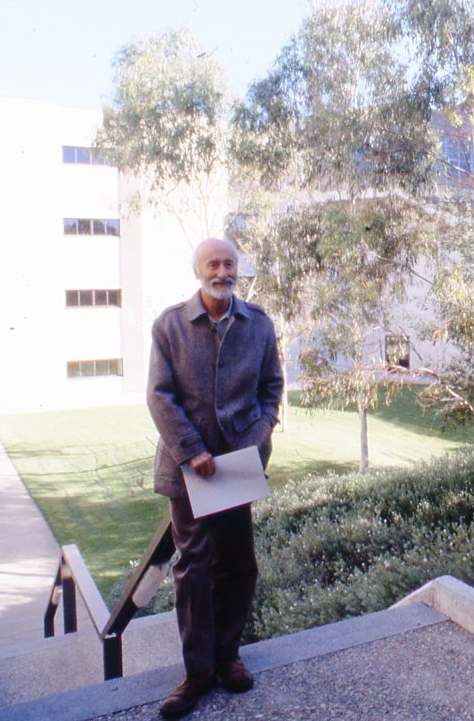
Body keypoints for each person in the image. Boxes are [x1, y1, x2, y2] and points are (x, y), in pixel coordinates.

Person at [146, 237, 283, 719]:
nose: (221, 271)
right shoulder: (170, 326)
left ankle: (228, 658)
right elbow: (160, 397)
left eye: (228, 263)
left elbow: (272, 387)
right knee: (194, 567)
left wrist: (260, 434)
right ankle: (197, 673)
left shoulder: (259, 324)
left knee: (240, 564)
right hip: (191, 473)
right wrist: (193, 451)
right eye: (212, 264)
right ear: (198, 270)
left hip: (239, 467)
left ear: (237, 269)